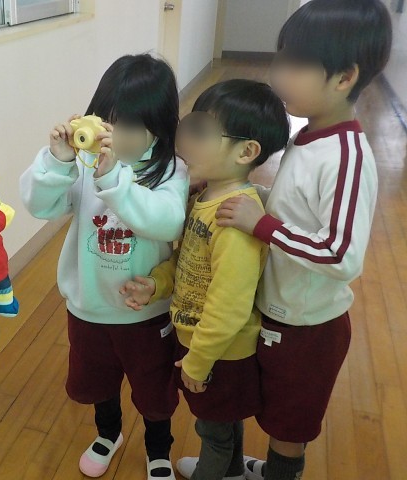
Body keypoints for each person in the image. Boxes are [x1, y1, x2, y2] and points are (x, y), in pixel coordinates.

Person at [214, 1, 393, 478]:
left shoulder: (347, 157)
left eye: (296, 65)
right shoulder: (308, 134)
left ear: (344, 77)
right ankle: (236, 469)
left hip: (309, 328)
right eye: (281, 59)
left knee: (289, 426)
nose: (278, 75)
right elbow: (295, 209)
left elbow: (340, 254)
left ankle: (281, 472)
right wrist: (244, 195)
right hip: (278, 308)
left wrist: (263, 226)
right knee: (267, 403)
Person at [20, 54, 189, 480]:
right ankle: (108, 433)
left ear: (159, 127)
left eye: (129, 125)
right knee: (98, 382)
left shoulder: (169, 170)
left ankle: (158, 450)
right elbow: (40, 206)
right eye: (107, 120)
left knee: (154, 390)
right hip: (89, 308)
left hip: (145, 315)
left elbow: (167, 221)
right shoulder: (81, 165)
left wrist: (114, 179)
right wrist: (58, 161)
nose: (114, 134)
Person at [121, 79, 289, 480]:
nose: (185, 142)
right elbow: (186, 263)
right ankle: (231, 472)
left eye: (201, 132)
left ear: (246, 152)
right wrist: (157, 284)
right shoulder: (203, 199)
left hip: (220, 353)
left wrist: (198, 362)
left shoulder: (234, 218)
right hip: (205, 346)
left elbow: (230, 305)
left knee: (213, 434)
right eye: (188, 127)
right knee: (222, 423)